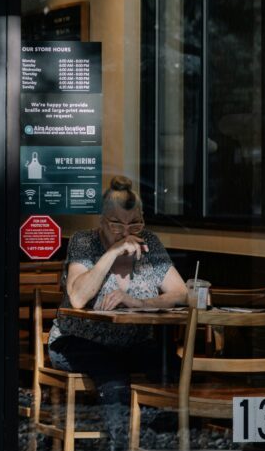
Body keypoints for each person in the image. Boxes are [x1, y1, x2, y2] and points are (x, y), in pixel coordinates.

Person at [49, 175, 187, 450]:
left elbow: (181, 293)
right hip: (78, 342)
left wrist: (137, 303)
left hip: (132, 342)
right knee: (114, 377)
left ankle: (164, 442)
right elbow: (77, 298)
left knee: (175, 371)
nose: (126, 232)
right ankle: (123, 445)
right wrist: (111, 253)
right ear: (101, 221)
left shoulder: (150, 244)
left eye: (134, 223)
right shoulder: (84, 242)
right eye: (116, 225)